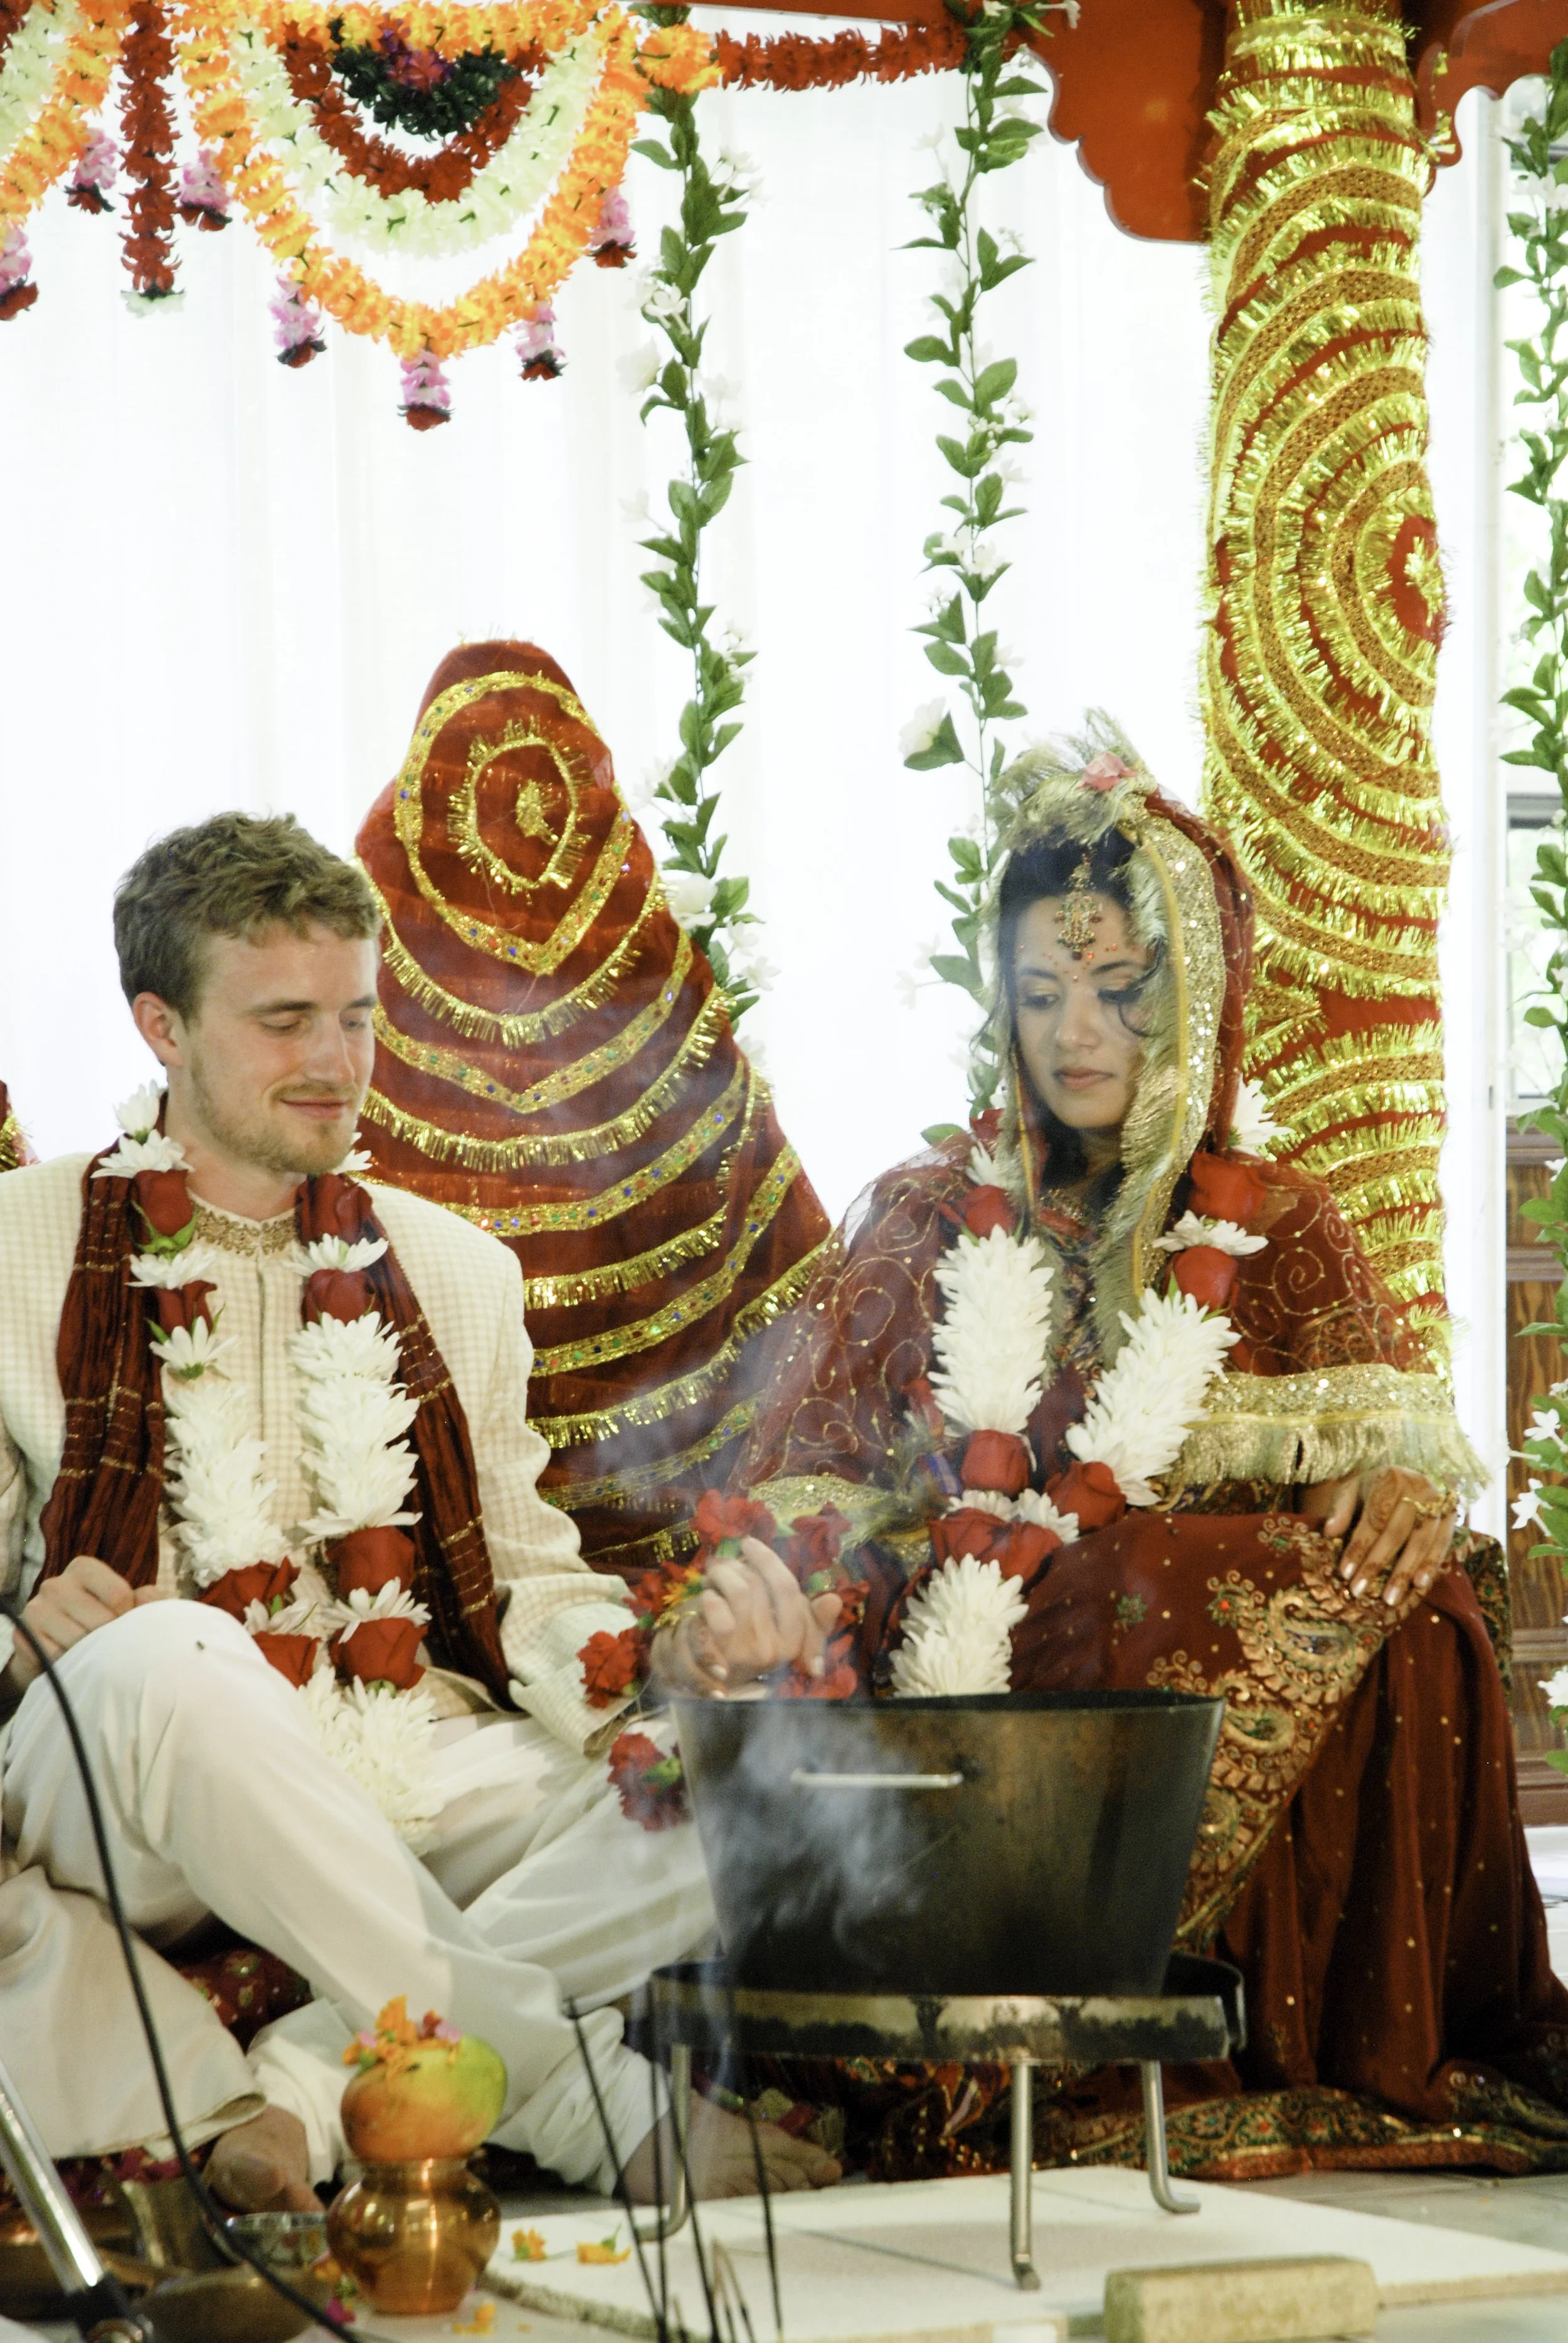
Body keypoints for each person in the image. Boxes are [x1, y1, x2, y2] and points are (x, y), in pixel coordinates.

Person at [655, 726, 1568, 2182]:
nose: (1073, 1032)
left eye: (1116, 990)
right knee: (1108, 1571)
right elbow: (810, 1502)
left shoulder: (1276, 1220)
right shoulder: (917, 1218)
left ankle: (1303, 2040)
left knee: (1422, 1611)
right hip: (968, 1653)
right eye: (1037, 992)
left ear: (1192, 999)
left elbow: (1393, 1457)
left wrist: (1392, 1490)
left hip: (1161, 1672)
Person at [0, 813, 840, 2209]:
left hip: (402, 1759)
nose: (335, 1064)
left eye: (355, 1016)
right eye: (283, 1022)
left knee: (772, 1789)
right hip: (127, 1768)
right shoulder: (16, 1251)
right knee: (181, 1658)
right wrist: (28, 1633)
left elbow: (529, 1581)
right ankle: (592, 2104)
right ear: (161, 1025)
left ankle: (305, 2094)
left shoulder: (452, 1270)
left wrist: (670, 1663)